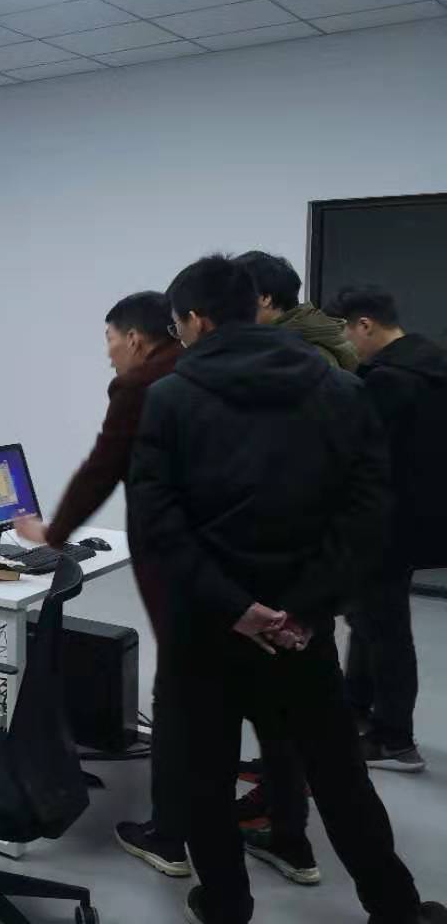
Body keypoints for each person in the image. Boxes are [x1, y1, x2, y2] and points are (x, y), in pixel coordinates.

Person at [129, 255, 443, 924]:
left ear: (196, 321)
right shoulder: (342, 388)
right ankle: (395, 907)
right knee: (339, 775)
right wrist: (304, 607)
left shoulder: (170, 398)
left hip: (204, 629)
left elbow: (158, 525)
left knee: (205, 776)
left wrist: (236, 608)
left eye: (177, 326)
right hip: (302, 631)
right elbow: (368, 513)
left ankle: (225, 904)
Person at [13, 292, 188, 877]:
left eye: (110, 341)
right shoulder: (211, 372)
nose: (108, 353)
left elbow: (101, 469)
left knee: (182, 699)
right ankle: (287, 835)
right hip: (253, 571)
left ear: (135, 339)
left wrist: (52, 533)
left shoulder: (142, 387)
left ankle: (171, 835)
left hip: (182, 566)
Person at [229, 249, 356, 870]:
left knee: (280, 703)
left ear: (263, 301)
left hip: (281, 568)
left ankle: (284, 830)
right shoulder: (325, 350)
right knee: (295, 707)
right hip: (313, 565)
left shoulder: (292, 363)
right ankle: (287, 809)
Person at [327, 285, 447, 773]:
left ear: (365, 325)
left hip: (383, 523)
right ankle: (356, 709)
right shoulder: (433, 365)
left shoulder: (389, 381)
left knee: (385, 628)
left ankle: (395, 739)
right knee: (369, 619)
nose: (346, 346)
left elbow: (360, 459)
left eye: (345, 334)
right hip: (419, 519)